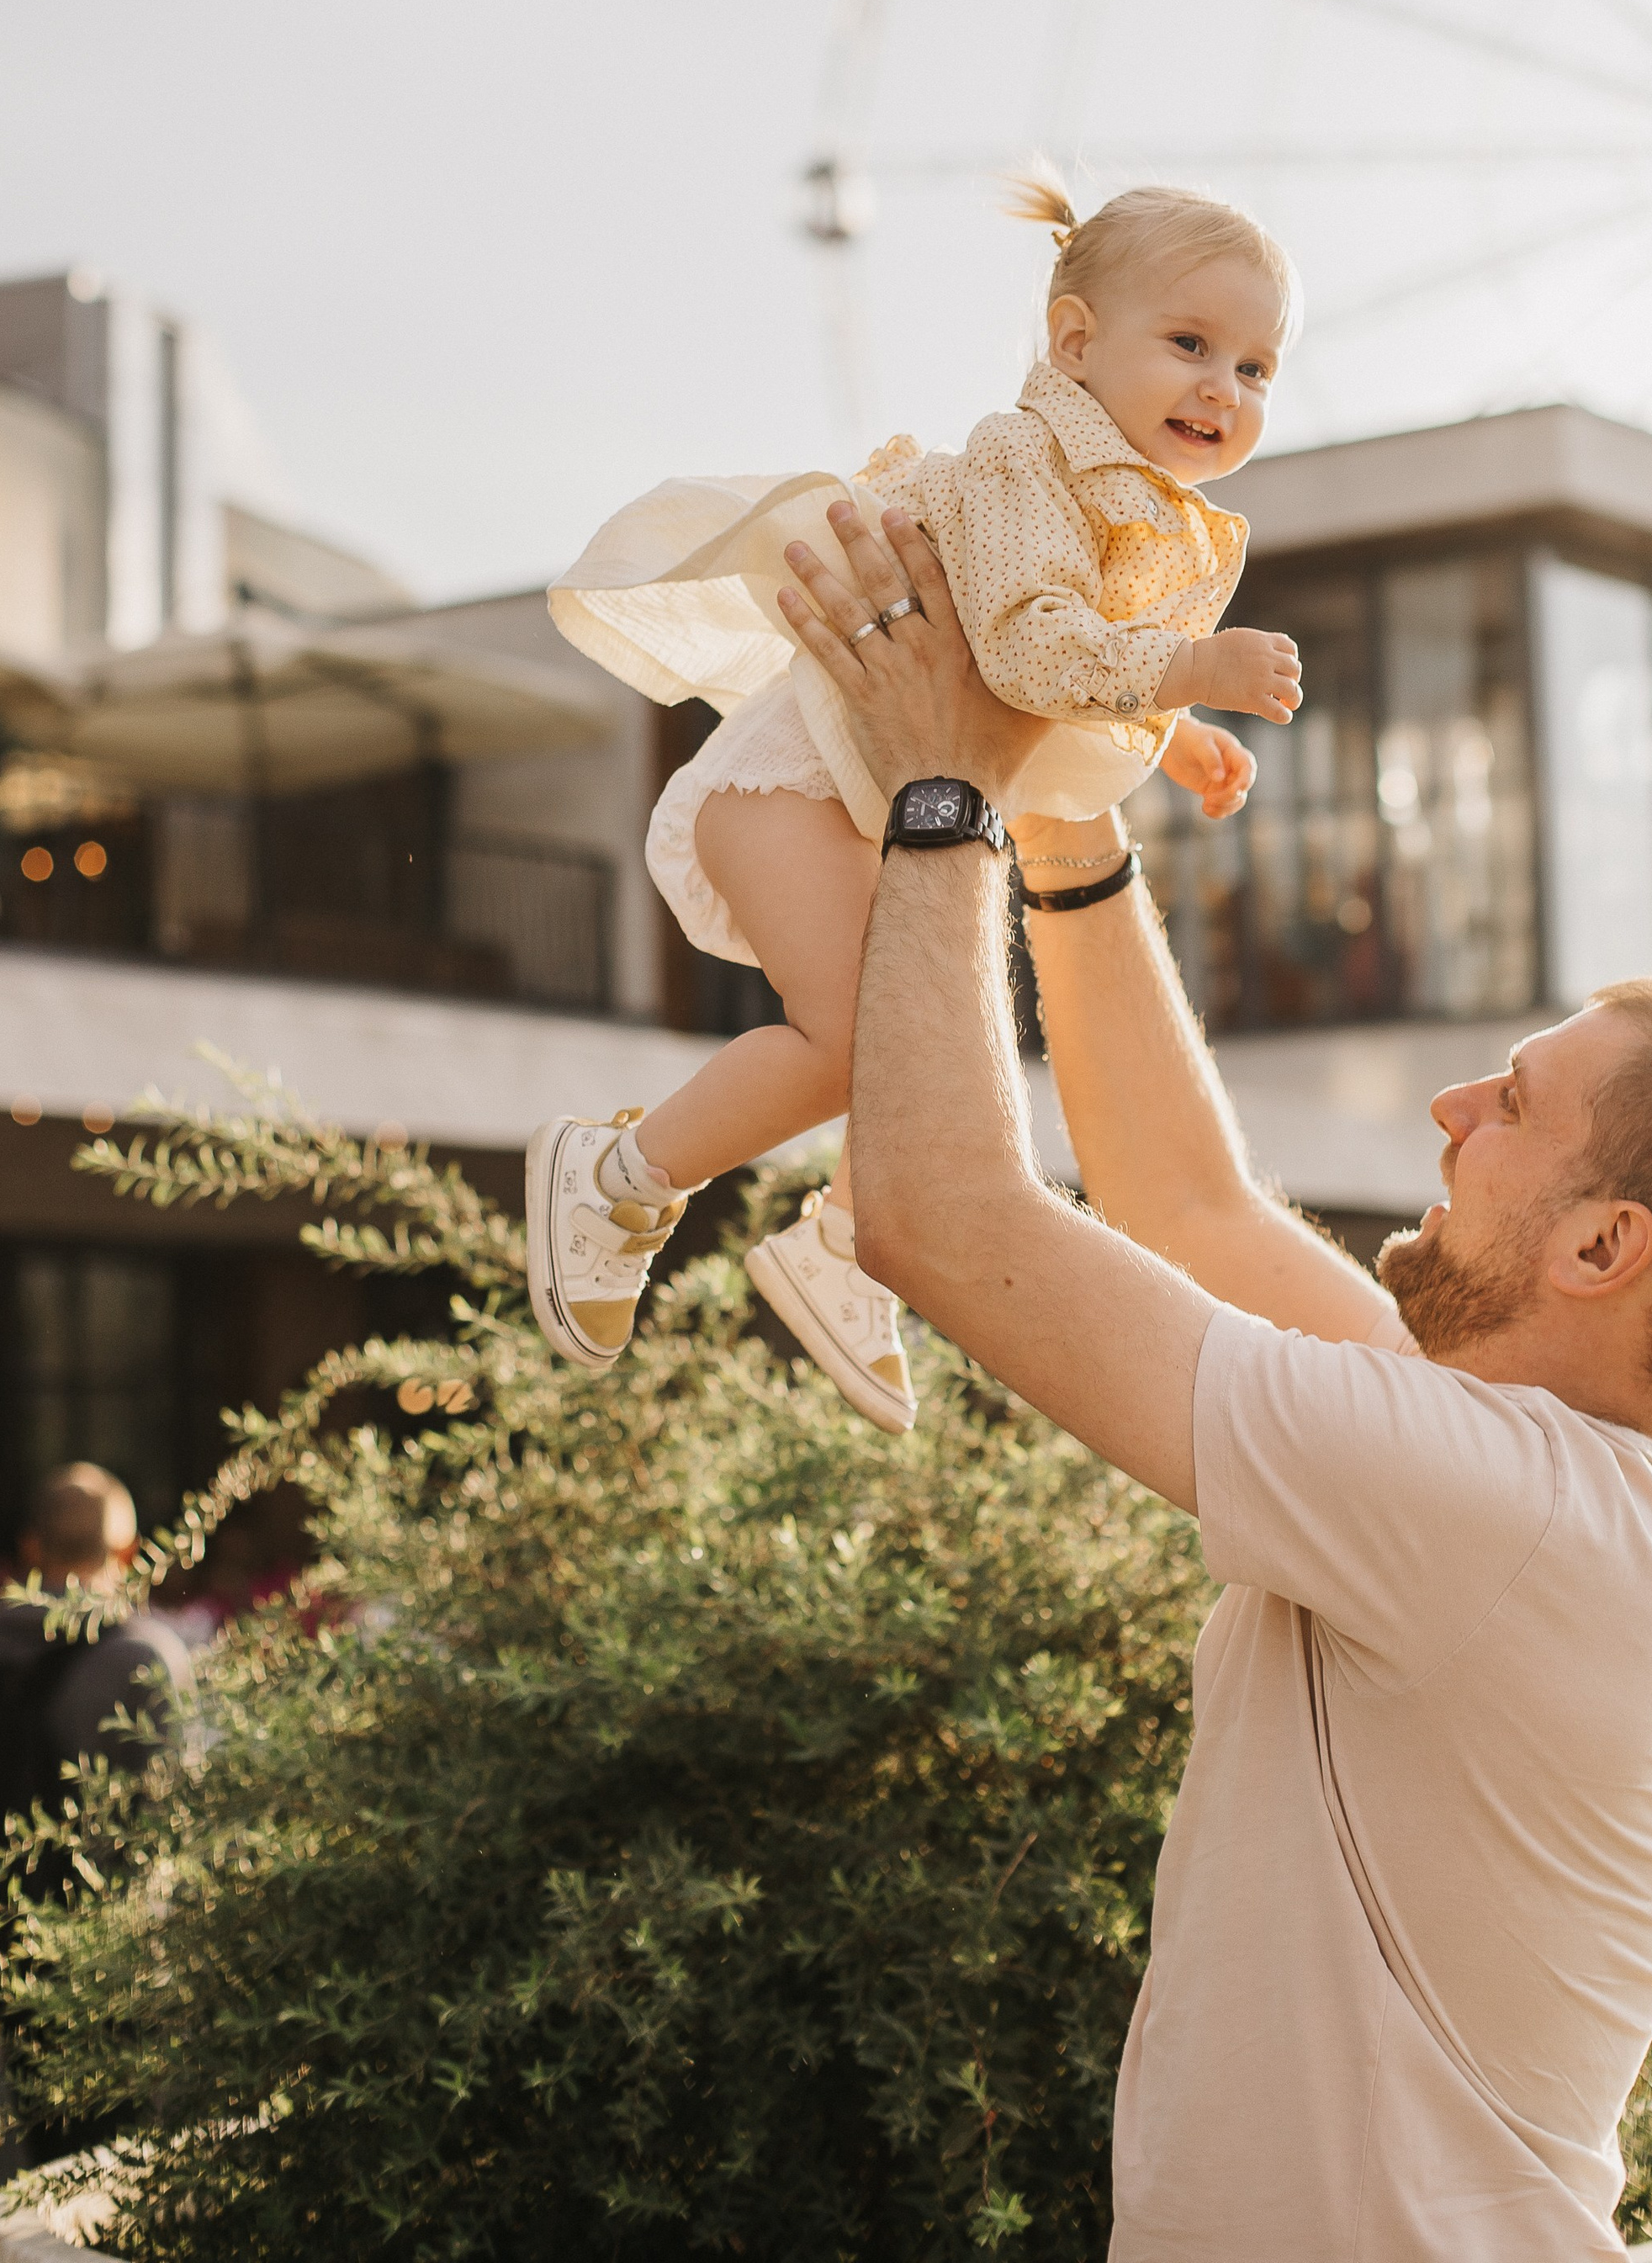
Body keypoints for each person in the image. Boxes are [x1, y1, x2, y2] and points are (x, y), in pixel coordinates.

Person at [770, 496, 1652, 2261]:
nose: (1449, 1112)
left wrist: (942, 792)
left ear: (1603, 1250)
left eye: (1509, 1103)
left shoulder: (1488, 1510)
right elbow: (1185, 1203)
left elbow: (935, 1215)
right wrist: (1065, 820)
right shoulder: (1570, 1482)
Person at [528, 172, 1301, 1429]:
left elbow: (1042, 690)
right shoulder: (1019, 461)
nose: (1226, 389)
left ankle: (846, 1237)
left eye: (1260, 369)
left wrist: (1170, 736)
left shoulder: (1116, 510)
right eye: (1193, 345)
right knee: (856, 1041)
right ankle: (619, 1177)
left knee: (926, 1030)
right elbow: (1025, 650)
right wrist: (1190, 672)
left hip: (867, 797)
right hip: (794, 785)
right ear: (1072, 341)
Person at [0, 1463, 193, 1982]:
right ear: (129, 1551)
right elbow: (178, 1809)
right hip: (116, 1954)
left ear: (30, 1547)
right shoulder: (146, 1661)